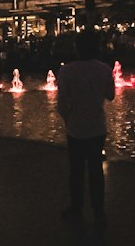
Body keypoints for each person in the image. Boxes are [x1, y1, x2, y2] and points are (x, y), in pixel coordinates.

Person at [56, 27, 116, 223]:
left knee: (76, 171)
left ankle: (76, 209)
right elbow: (110, 95)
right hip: (97, 127)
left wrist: (68, 119)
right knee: (96, 170)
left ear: (77, 48)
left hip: (75, 127)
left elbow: (62, 104)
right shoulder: (104, 69)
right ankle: (99, 211)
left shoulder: (66, 71)